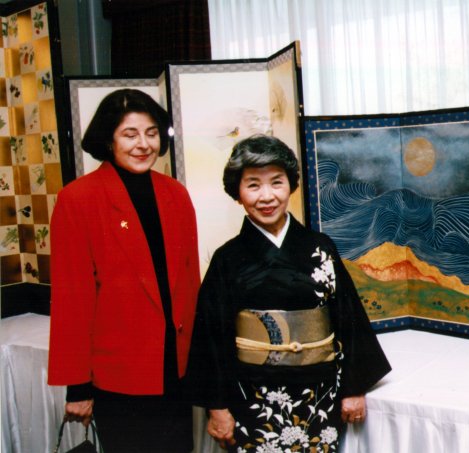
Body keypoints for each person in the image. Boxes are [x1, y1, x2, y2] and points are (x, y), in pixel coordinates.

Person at [187, 134, 391, 452]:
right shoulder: (227, 259)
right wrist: (217, 407)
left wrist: (354, 387)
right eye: (253, 185)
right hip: (252, 396)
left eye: (276, 183)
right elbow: (210, 338)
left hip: (318, 393)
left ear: (291, 185)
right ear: (237, 193)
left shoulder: (320, 248)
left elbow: (349, 321)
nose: (266, 196)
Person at [48, 89, 200, 452]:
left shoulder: (176, 194)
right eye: (130, 134)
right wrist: (78, 386)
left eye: (151, 133)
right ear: (108, 139)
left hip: (175, 369)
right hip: (118, 375)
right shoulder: (78, 199)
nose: (143, 144)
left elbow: (190, 285)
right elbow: (72, 301)